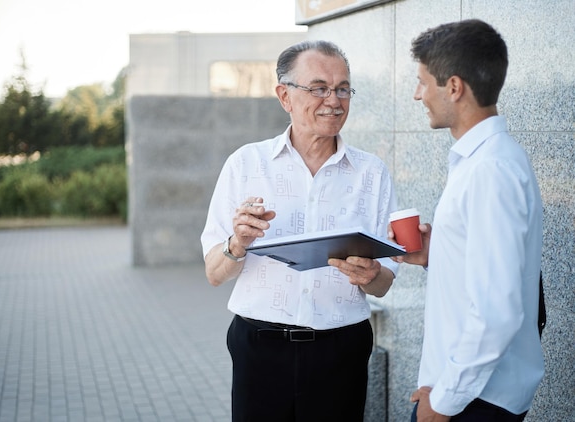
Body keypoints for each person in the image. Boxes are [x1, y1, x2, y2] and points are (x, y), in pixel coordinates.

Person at [200, 40, 399, 422]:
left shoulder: (371, 173)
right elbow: (213, 272)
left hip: (341, 348)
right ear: (284, 96)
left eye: (343, 88)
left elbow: (385, 282)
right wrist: (238, 244)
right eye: (319, 87)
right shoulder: (246, 164)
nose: (334, 100)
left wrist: (372, 275)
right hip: (259, 348)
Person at [391, 19, 544, 421]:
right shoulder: (482, 161)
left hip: (473, 402)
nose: (417, 94)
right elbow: (490, 273)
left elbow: (497, 311)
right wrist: (435, 252)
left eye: (423, 82)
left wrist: (442, 404)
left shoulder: (490, 170)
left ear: (454, 87)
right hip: (467, 394)